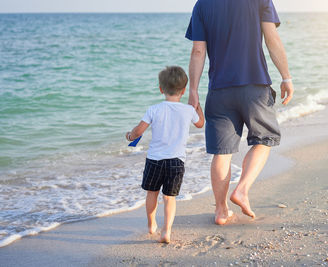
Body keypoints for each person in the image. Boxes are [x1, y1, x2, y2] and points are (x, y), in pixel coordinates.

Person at [185, 0, 294, 225]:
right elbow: (272, 39)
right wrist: (286, 76)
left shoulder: (202, 5)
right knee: (265, 139)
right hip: (255, 86)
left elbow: (198, 50)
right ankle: (242, 190)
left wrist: (193, 91)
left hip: (219, 90)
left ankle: (221, 210)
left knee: (222, 152)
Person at [125, 66, 205, 243]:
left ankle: (151, 224)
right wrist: (197, 107)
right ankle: (166, 231)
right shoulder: (188, 110)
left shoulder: (154, 109)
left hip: (154, 160)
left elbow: (139, 131)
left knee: (152, 193)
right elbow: (200, 124)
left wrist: (130, 136)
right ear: (183, 90)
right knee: (170, 197)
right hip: (176, 162)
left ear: (161, 89)